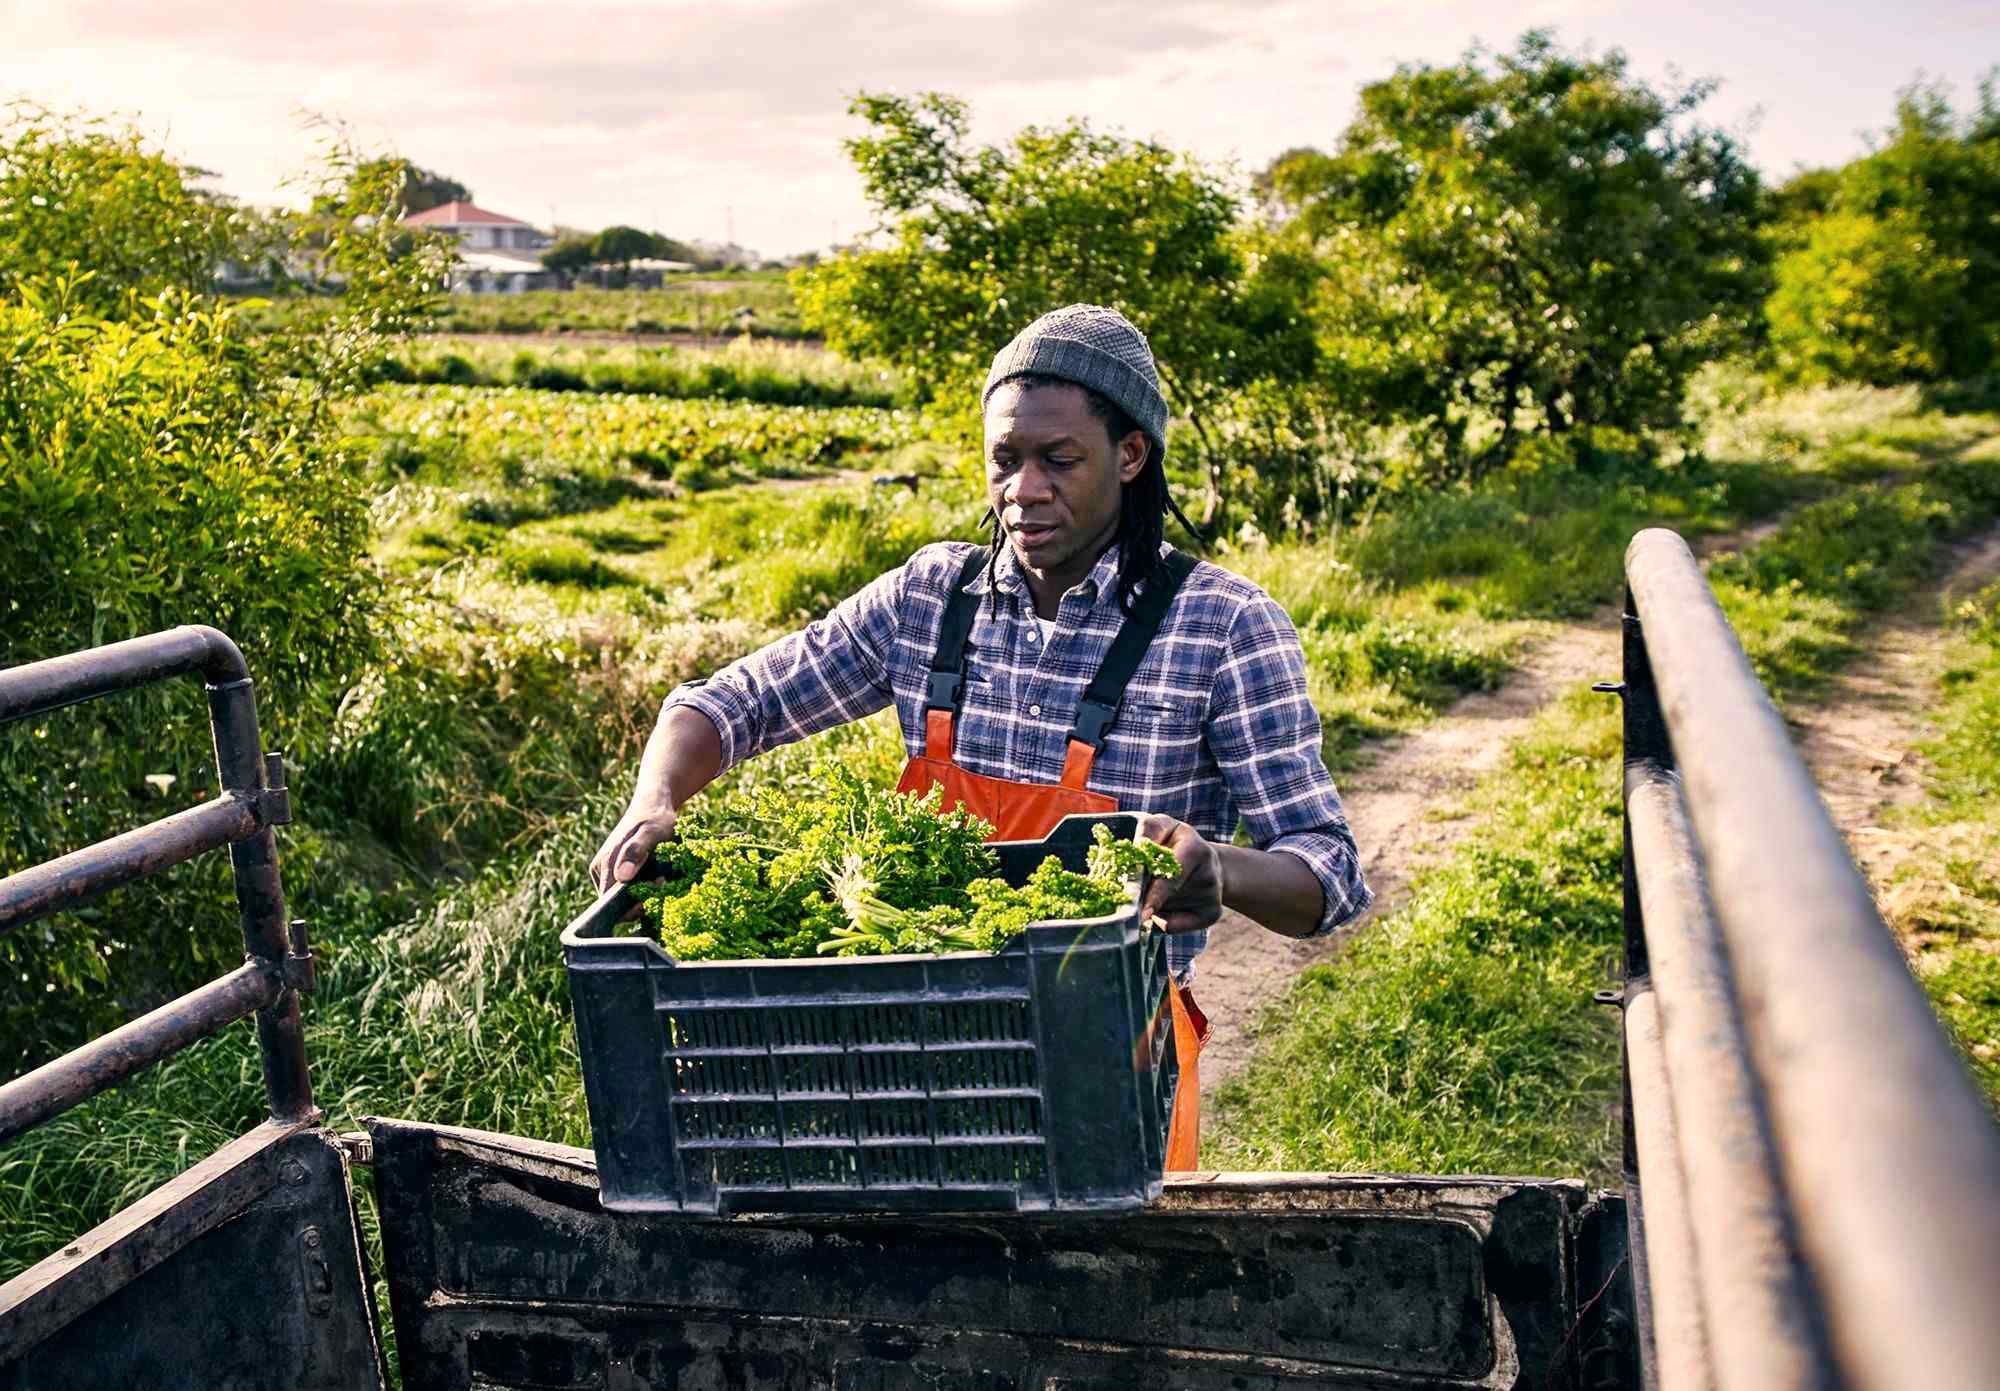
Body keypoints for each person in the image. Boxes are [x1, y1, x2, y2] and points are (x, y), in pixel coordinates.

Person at [590, 304, 1371, 1164]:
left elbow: (1327, 873)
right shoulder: (931, 598)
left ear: (1131, 454)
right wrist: (654, 798)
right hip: (898, 1072)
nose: (1023, 490)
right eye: (1005, 459)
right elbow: (729, 702)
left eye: (1058, 461)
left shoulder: (1224, 626)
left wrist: (1217, 865)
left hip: (1108, 1075)